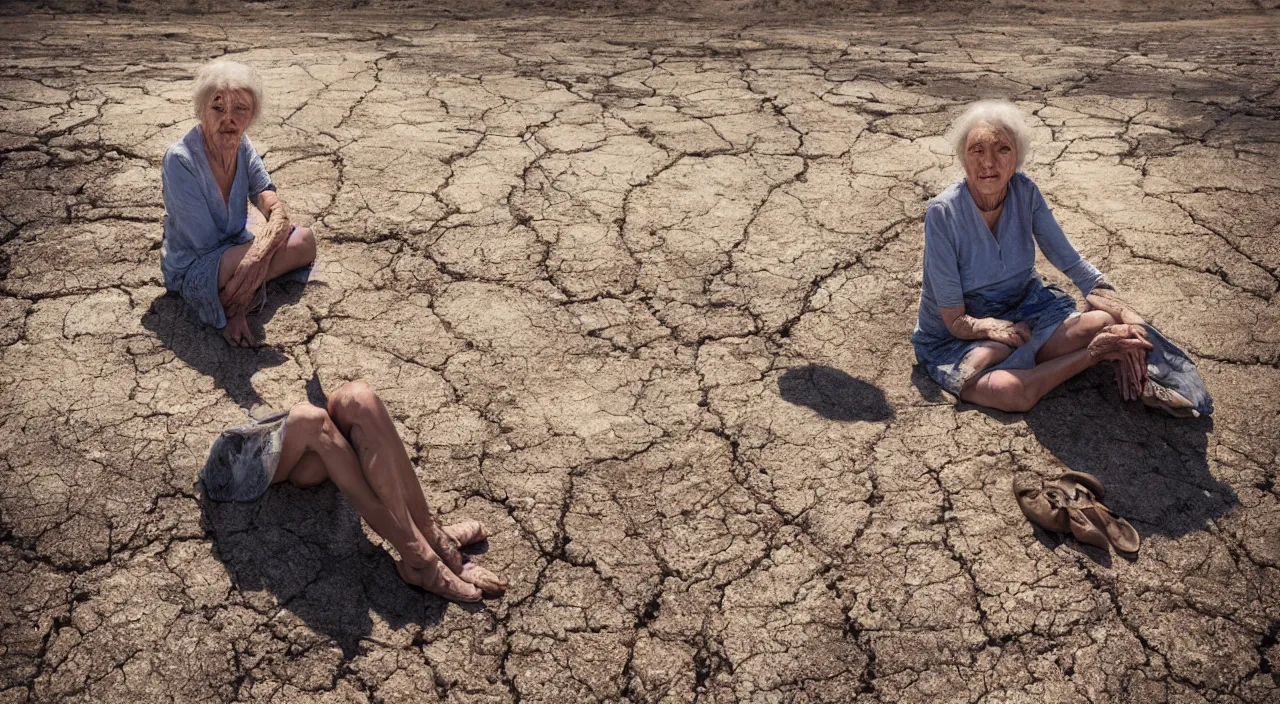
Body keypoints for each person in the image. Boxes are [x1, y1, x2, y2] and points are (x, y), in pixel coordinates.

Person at [911, 99, 1154, 413]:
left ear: (1017, 160)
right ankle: (1093, 355)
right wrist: (996, 331)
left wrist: (1128, 315)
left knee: (1105, 320)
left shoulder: (1025, 193)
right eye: (977, 150)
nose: (989, 163)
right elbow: (955, 320)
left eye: (1002, 150)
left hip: (1025, 312)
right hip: (964, 334)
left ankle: (1038, 361)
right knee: (1012, 392)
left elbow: (1071, 262)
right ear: (964, 158)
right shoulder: (943, 213)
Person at [202, 381, 507, 602]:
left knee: (360, 397)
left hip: (295, 446)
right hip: (236, 460)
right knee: (310, 419)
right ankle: (420, 560)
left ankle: (434, 534)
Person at [160, 59, 316, 347]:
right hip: (197, 263)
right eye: (217, 108)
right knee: (265, 252)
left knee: (305, 240)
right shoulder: (180, 159)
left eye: (240, 109)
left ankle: (240, 285)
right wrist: (259, 257)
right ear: (201, 110)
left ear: (251, 114)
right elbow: (205, 244)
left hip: (239, 253)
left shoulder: (243, 145)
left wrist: (259, 252)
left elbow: (268, 198)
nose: (228, 119)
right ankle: (232, 299)